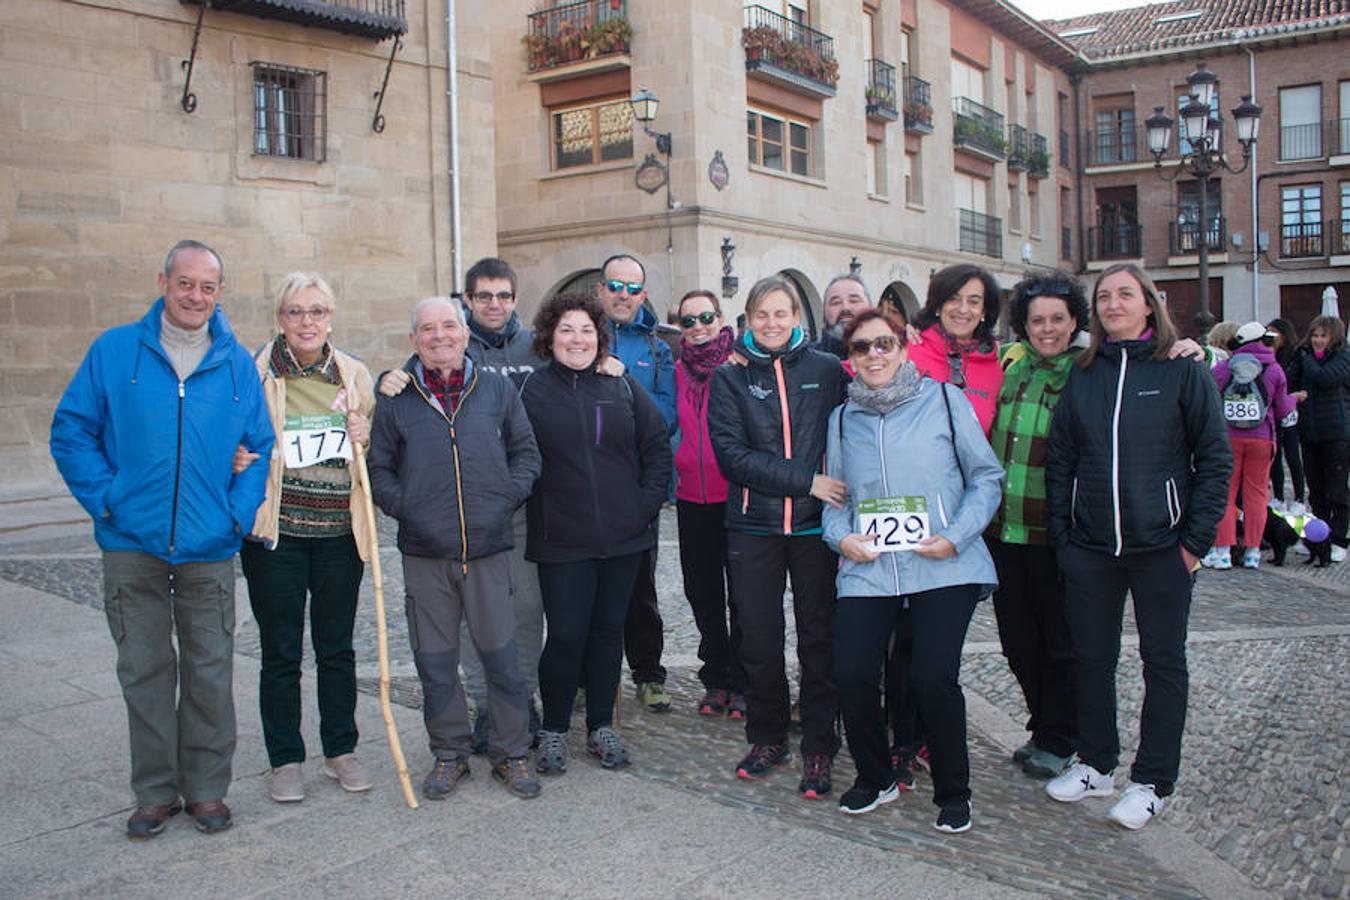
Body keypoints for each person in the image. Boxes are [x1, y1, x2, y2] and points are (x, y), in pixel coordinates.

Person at [50, 240, 273, 838]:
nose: (195, 295)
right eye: (184, 283)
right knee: (145, 670)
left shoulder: (234, 364)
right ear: (163, 282)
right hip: (132, 545)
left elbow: (260, 446)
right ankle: (154, 792)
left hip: (209, 546)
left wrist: (236, 511)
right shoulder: (115, 351)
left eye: (207, 286)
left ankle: (205, 789)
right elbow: (72, 431)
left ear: (219, 292)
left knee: (209, 670)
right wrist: (107, 498)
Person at [1044, 263, 1230, 830]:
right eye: (1104, 296)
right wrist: (1064, 539)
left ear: (1149, 304)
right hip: (1092, 548)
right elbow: (1061, 459)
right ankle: (1097, 762)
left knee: (1164, 663)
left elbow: (1214, 460)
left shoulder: (1182, 371)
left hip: (1163, 547)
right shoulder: (1085, 370)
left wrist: (1193, 543)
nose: (1114, 303)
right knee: (1092, 659)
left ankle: (1152, 781)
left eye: (1126, 293)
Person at [824, 309, 1002, 832]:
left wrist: (957, 535)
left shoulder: (945, 400)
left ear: (903, 348)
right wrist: (842, 538)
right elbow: (836, 498)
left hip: (942, 563)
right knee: (853, 673)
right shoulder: (841, 419)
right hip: (871, 566)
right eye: (862, 347)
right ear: (850, 359)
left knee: (931, 678)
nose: (874, 355)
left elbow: (986, 476)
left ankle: (954, 790)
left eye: (884, 344)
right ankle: (874, 777)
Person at [368, 297, 543, 802]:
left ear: (465, 335)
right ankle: (450, 752)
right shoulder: (397, 400)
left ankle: (511, 752)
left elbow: (526, 453)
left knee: (501, 659)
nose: (439, 336)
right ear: (414, 341)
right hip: (425, 552)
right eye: (427, 329)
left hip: (489, 548)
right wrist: (409, 508)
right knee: (436, 661)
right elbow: (379, 468)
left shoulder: (496, 389)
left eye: (449, 326)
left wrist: (504, 499)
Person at [708, 275, 848, 798]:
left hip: (815, 529)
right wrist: (806, 479)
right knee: (760, 643)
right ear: (748, 318)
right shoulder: (730, 379)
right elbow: (732, 457)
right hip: (754, 526)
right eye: (761, 314)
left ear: (797, 318)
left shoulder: (827, 369)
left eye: (781, 313)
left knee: (819, 640)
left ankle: (819, 745)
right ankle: (767, 736)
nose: (771, 323)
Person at [239, 273, 377, 803]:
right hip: (278, 534)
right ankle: (285, 759)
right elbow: (238, 436)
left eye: (317, 312)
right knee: (280, 651)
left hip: (339, 534)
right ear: (281, 318)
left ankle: (340, 750)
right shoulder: (256, 373)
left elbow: (370, 443)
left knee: (337, 648)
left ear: (331, 318)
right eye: (296, 312)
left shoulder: (353, 373)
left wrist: (365, 433)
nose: (307, 322)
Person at [522, 293, 671, 774]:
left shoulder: (622, 386)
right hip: (561, 540)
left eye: (586, 330)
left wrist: (642, 509)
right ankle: (555, 729)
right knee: (566, 635)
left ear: (599, 337)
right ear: (549, 337)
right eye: (567, 329)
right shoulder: (530, 392)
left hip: (624, 539)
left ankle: (601, 726)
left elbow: (656, 450)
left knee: (609, 634)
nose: (577, 339)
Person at [986, 271, 1089, 781]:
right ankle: (1041, 724)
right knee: (1017, 641)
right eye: (1037, 320)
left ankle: (1061, 735)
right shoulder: (1011, 368)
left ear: (1074, 322)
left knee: (1058, 642)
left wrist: (1191, 349)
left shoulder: (1088, 371)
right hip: (1005, 531)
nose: (1047, 329)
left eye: (1057, 319)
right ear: (1023, 325)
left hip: (1057, 534)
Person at [595, 254, 676, 713]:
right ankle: (591, 676)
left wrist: (625, 394)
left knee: (640, 587)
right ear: (600, 290)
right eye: (615, 285)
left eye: (632, 288)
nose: (623, 295)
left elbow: (667, 414)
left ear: (642, 295)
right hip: (585, 486)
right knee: (587, 587)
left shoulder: (658, 347)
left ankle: (649, 672)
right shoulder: (579, 335)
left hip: (637, 486)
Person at [672, 289, 745, 719]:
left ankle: (744, 680)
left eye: (705, 317)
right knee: (702, 593)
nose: (698, 327)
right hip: (689, 498)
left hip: (735, 497)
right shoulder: (675, 370)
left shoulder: (740, 365)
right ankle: (716, 676)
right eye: (688, 320)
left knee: (743, 594)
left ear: (720, 319)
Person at [1203, 323, 1297, 570]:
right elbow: (1284, 408)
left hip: (1229, 438)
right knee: (1256, 496)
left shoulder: (1225, 367)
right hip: (1263, 438)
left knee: (1226, 494)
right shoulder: (1274, 368)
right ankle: (1253, 551)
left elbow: (1211, 397)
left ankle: (1223, 551)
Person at [906, 264, 1004, 435]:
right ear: (938, 306)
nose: (963, 309)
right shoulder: (907, 350)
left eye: (974, 301)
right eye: (953, 299)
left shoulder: (995, 366)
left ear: (983, 312)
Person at [1287, 315, 1350, 561]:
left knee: (1337, 490)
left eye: (1323, 336)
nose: (1317, 341)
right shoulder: (1303, 358)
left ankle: (1339, 539)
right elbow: (1290, 382)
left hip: (1337, 433)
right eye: (1314, 335)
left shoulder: (1343, 357)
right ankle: (1318, 537)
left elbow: (1325, 378)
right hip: (1310, 432)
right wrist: (1297, 361)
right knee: (1316, 490)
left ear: (1333, 338)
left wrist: (1305, 358)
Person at [1266, 318, 1307, 514]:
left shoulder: (1295, 356)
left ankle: (1299, 497)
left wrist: (1294, 398)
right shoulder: (1269, 355)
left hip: (1290, 409)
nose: (1271, 337)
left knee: (1292, 455)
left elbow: (1297, 380)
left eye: (1274, 333)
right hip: (1273, 411)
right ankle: (1279, 497)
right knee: (1275, 456)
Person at [814, 274, 873, 360]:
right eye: (836, 302)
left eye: (854, 301)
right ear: (824, 312)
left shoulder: (889, 358)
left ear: (870, 308)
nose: (845, 308)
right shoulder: (808, 363)